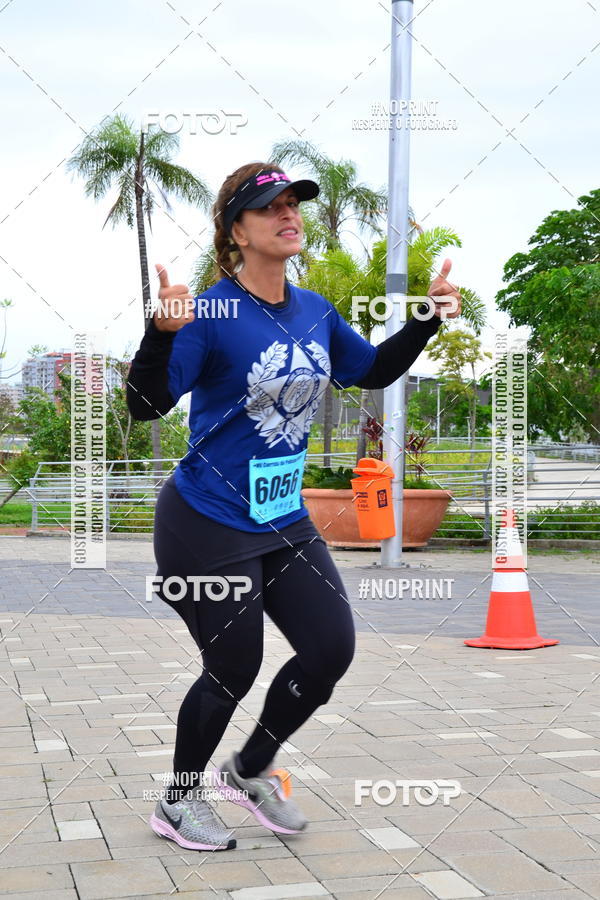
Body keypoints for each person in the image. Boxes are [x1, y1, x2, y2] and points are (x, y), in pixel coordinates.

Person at [126, 161, 461, 852]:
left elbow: (371, 370)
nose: (290, 214)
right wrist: (160, 334)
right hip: (206, 521)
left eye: (294, 203)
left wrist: (426, 319)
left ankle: (249, 770)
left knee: (330, 650)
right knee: (233, 667)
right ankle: (178, 803)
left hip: (283, 518)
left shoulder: (315, 311)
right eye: (270, 206)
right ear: (236, 232)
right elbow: (146, 404)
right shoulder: (212, 314)